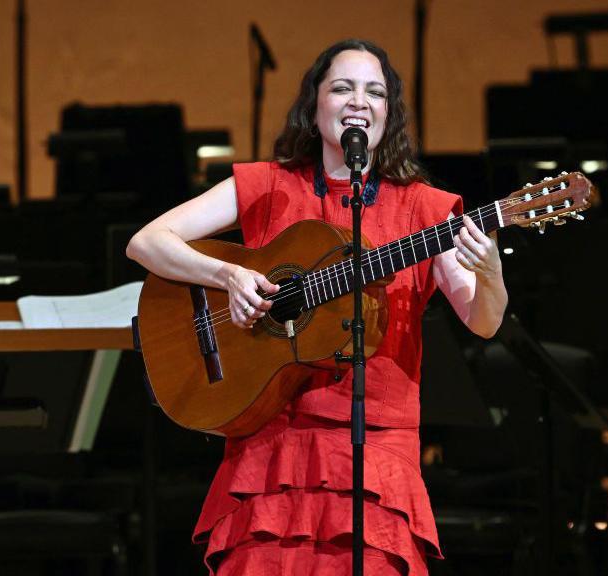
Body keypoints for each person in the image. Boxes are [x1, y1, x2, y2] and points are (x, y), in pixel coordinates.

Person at [127, 38, 507, 576]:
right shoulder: (267, 186)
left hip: (376, 453)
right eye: (342, 88)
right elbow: (148, 241)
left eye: (375, 92)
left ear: (388, 114)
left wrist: (490, 272)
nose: (359, 101)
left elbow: (483, 320)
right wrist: (230, 274)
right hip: (272, 447)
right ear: (314, 105)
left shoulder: (427, 210)